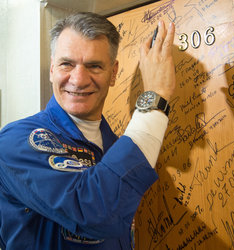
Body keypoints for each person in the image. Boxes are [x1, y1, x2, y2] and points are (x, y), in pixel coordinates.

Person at [0, 12, 176, 249]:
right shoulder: (15, 141)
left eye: (94, 66)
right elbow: (96, 213)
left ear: (113, 73)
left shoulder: (116, 146)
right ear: (52, 69)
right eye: (66, 64)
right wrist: (156, 96)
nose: (79, 79)